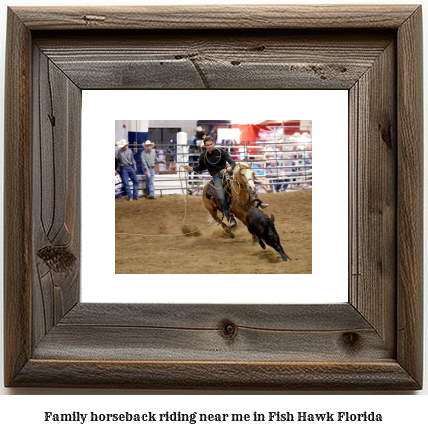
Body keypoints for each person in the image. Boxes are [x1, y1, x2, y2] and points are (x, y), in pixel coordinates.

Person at [182, 135, 238, 228]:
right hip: (217, 177)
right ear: (205, 145)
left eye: (211, 144)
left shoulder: (221, 152)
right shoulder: (203, 156)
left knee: (243, 183)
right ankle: (230, 219)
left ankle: (255, 203)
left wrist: (230, 167)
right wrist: (192, 168)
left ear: (213, 143)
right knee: (221, 197)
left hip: (227, 173)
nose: (210, 146)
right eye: (208, 145)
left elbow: (233, 162)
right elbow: (201, 167)